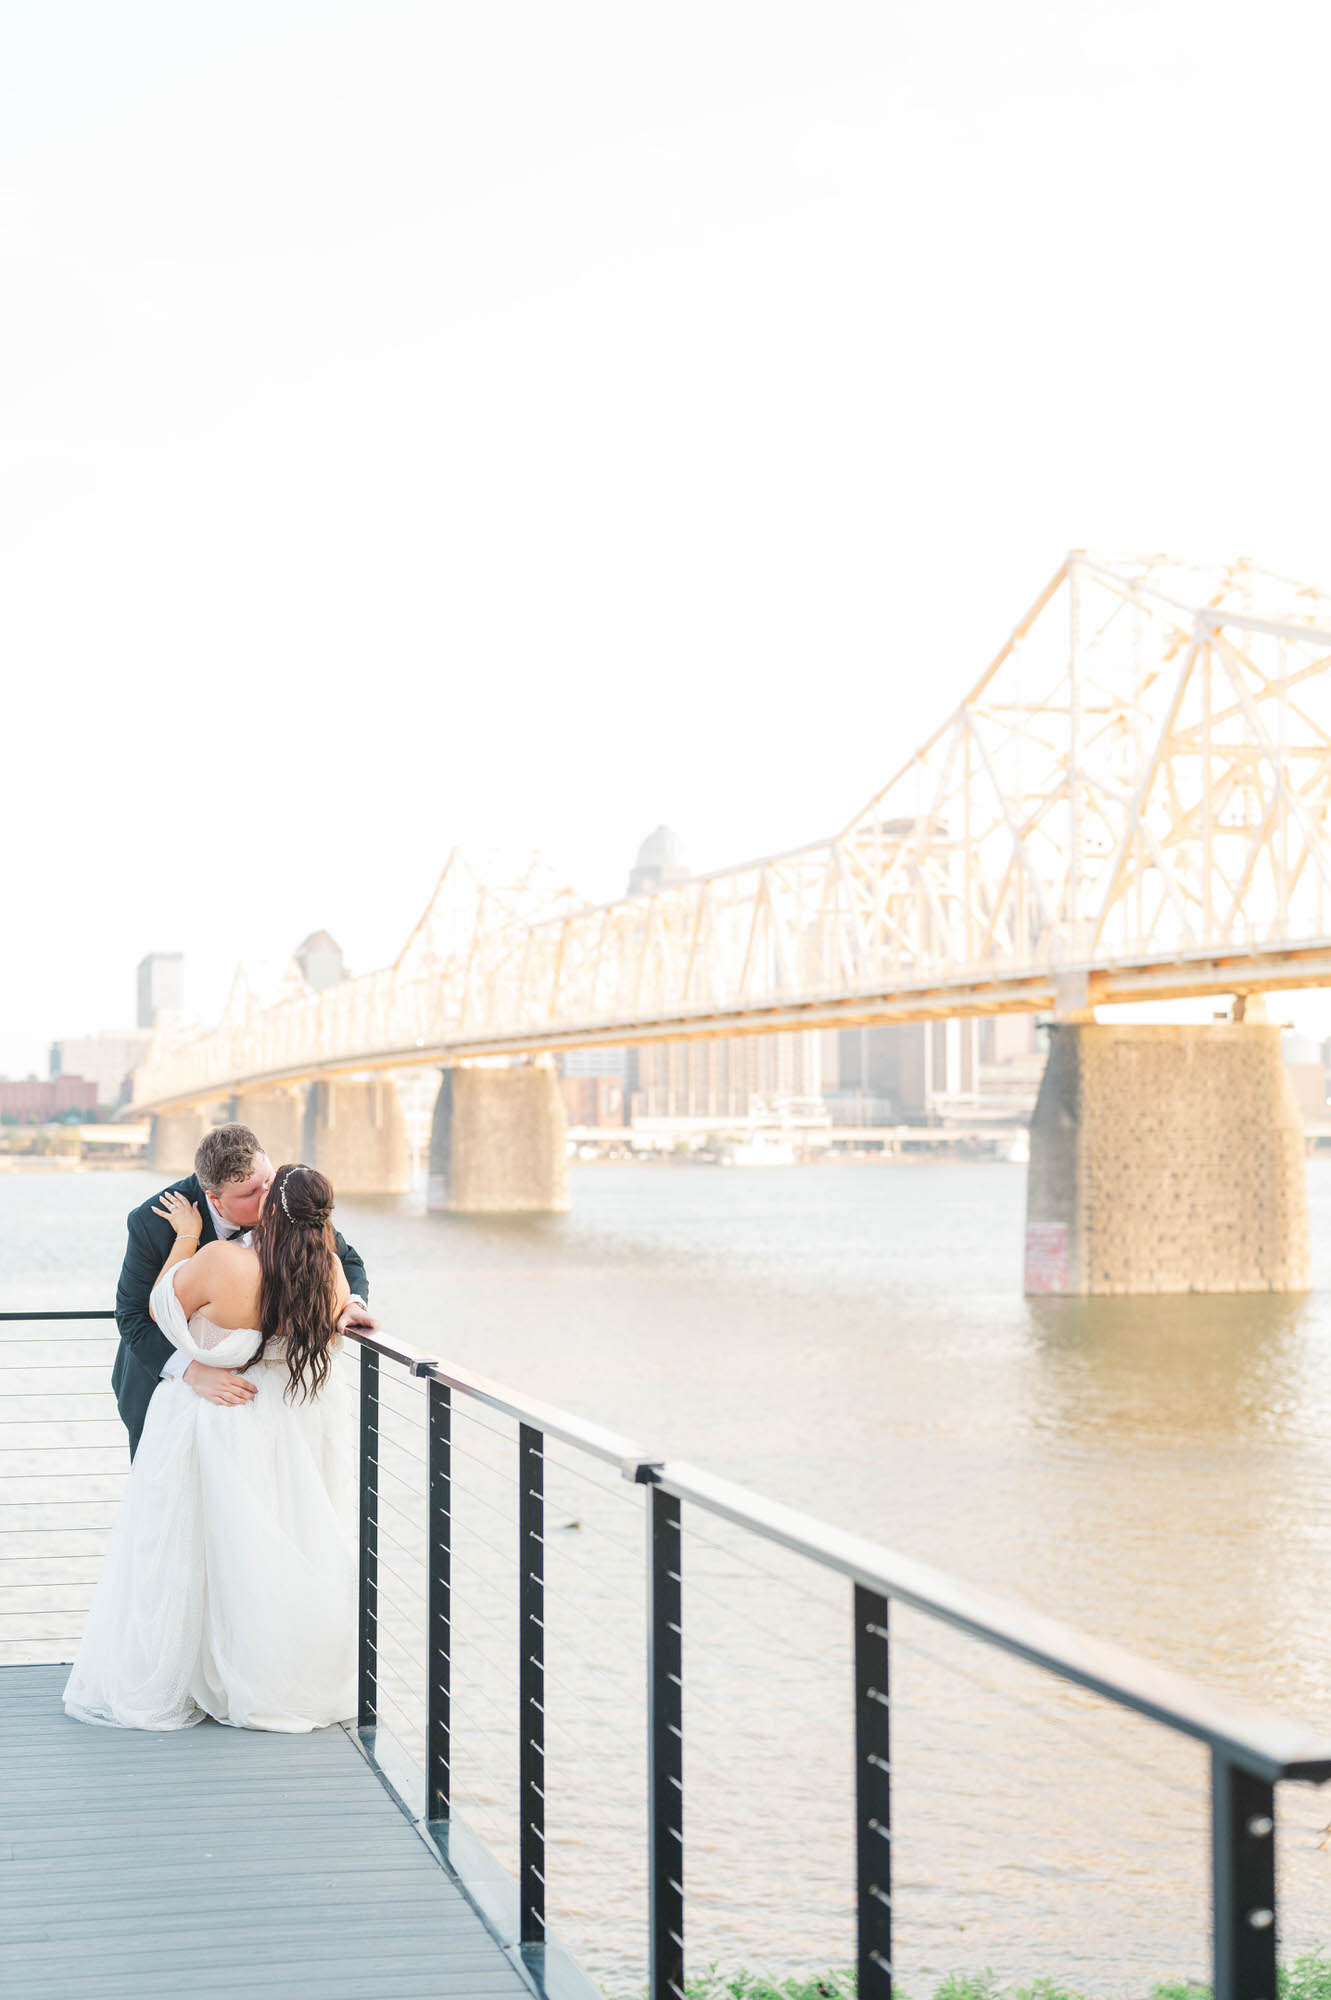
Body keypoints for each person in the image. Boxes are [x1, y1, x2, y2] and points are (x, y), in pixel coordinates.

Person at [65, 1162, 361, 1732]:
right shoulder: (326, 1274)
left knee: (185, 1544)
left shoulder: (224, 1262)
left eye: (266, 1189)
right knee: (258, 1546)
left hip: (212, 1420)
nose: (260, 1192)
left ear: (273, 1207)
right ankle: (256, 1674)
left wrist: (183, 1240)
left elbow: (159, 1309)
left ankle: (186, 1673)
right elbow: (332, 1312)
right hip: (279, 1424)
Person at [111, 1124, 375, 1458]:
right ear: (214, 1199)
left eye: (268, 1179)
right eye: (251, 1193)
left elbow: (345, 1259)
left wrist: (352, 1304)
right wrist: (191, 1371)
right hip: (164, 1386)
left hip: (267, 1400)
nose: (267, 1195)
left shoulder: (285, 1201)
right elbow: (133, 1315)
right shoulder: (152, 1223)